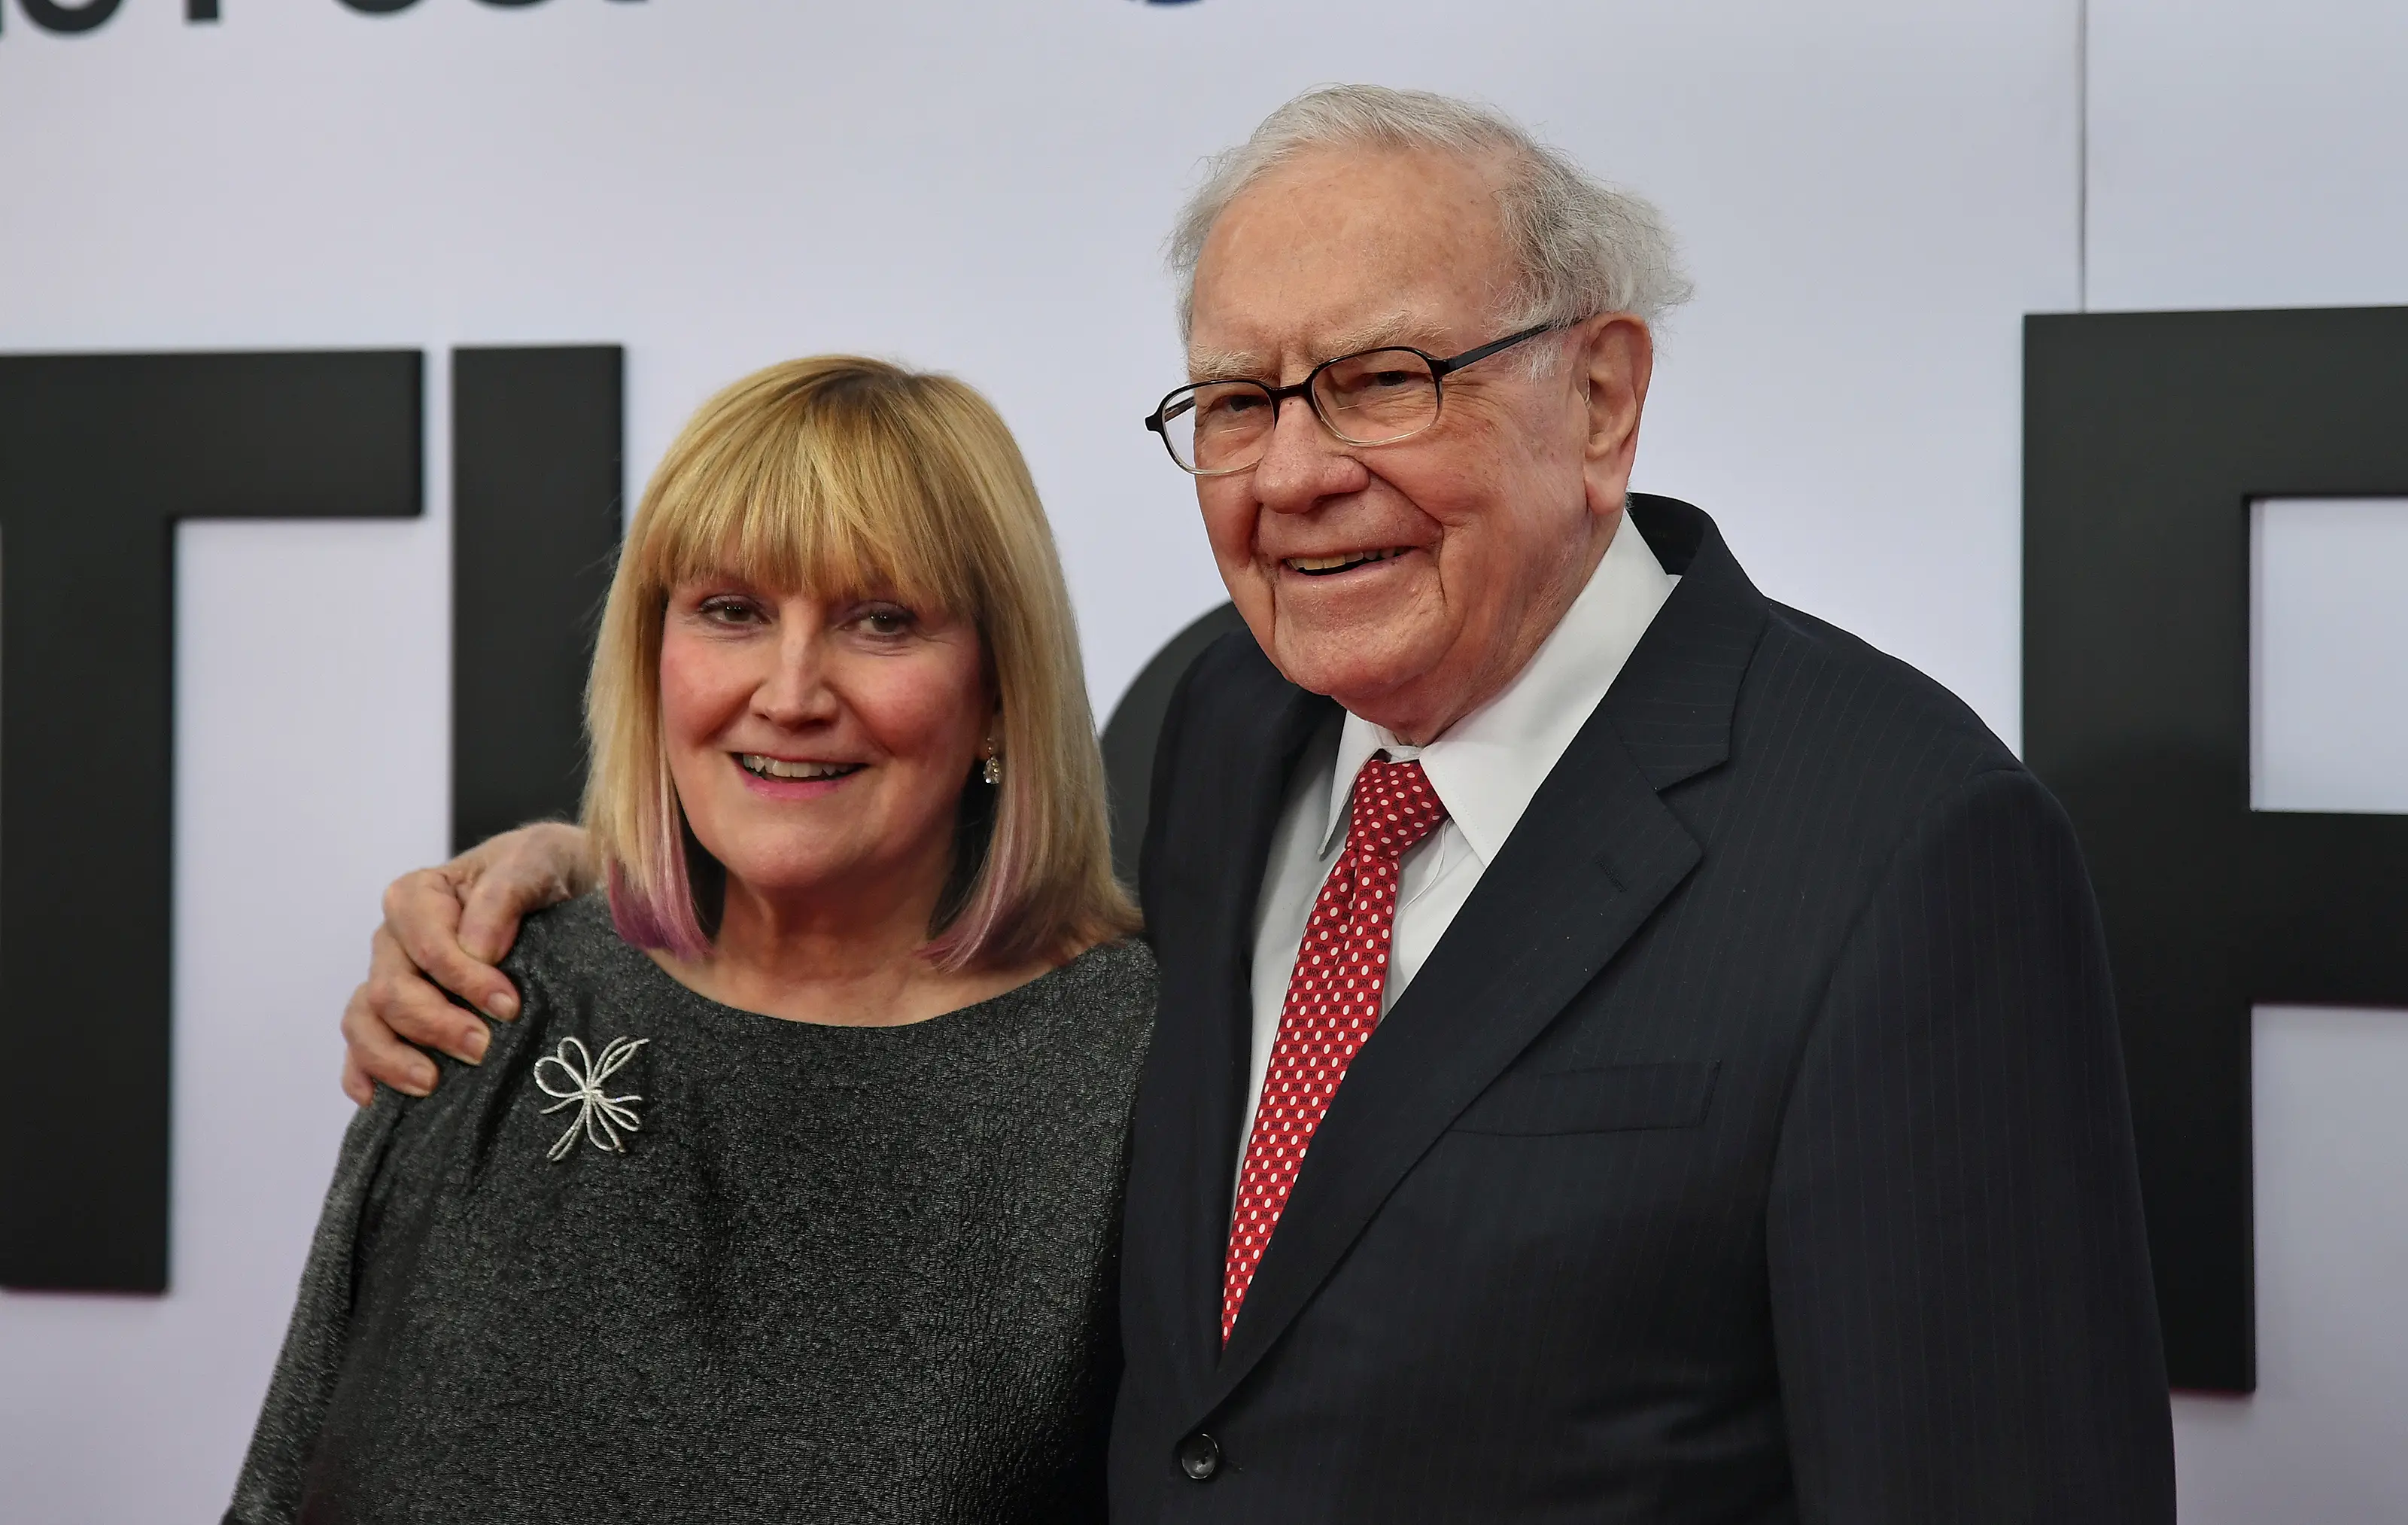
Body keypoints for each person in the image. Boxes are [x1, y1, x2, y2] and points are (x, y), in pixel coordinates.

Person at [339, 88, 2176, 1522]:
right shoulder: (1234, 715)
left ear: (1601, 393)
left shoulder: (1902, 847)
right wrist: (580, 876)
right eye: (1234, 399)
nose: (1296, 472)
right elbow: (906, 868)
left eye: (1382, 381)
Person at [229, 356, 1148, 1525]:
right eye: (733, 611)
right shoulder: (496, 991)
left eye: (882, 619)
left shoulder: (1138, 1071)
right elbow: (289, 1483)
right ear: (653, 655)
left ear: (1003, 690)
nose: (792, 690)